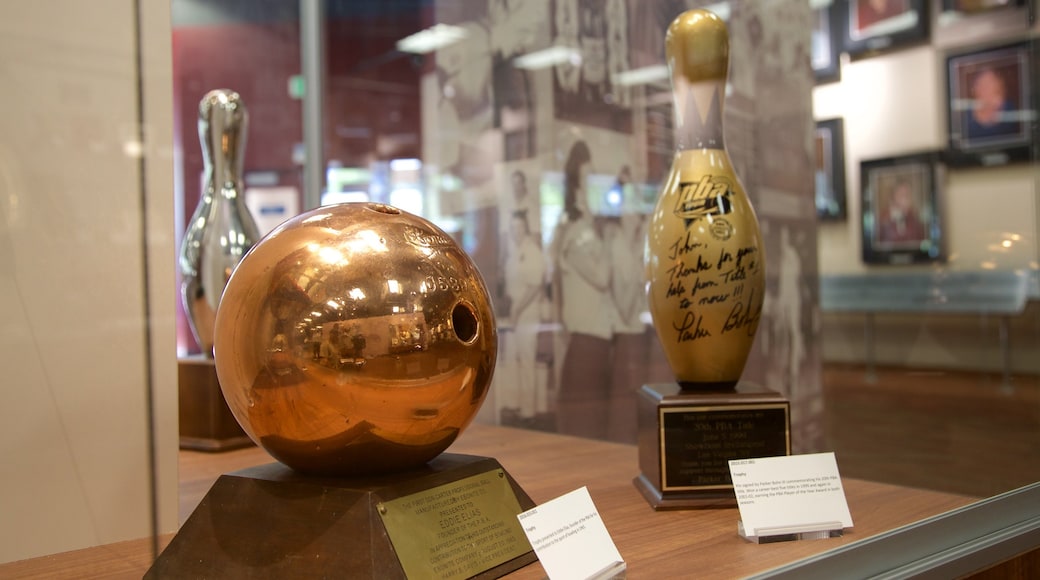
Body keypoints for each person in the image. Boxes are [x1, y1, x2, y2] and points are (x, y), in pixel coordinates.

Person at [550, 140, 614, 439]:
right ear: (577, 190)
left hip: (592, 339)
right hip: (587, 340)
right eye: (588, 181)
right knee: (584, 428)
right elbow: (602, 277)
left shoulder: (578, 234)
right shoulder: (580, 236)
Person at [965, 66, 1016, 142]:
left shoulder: (1008, 108)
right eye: (981, 84)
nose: (986, 88)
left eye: (991, 82)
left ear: (998, 85)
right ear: (975, 89)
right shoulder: (965, 115)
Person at [877, 179, 926, 245]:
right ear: (893, 196)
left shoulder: (914, 217)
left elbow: (921, 242)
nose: (904, 198)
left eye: (907, 194)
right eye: (901, 194)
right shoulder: (884, 217)